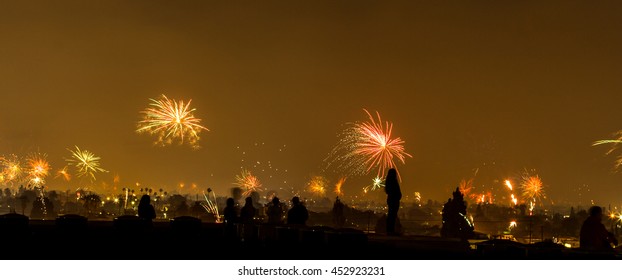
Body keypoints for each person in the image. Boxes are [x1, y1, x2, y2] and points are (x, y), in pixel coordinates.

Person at [384, 168, 402, 235]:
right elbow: (396, 191)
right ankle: (391, 230)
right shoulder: (393, 182)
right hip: (394, 200)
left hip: (391, 200)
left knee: (391, 215)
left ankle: (390, 230)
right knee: (392, 215)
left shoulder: (388, 182)